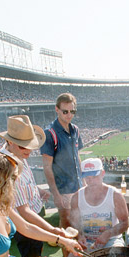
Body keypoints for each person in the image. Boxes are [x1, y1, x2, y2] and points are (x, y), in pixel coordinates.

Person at [0, 115, 64, 257]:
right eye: (22, 146)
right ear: (10, 142)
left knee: (35, 256)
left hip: (33, 212)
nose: (28, 150)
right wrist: (52, 230)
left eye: (29, 145)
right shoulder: (6, 166)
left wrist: (38, 191)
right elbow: (22, 212)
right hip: (24, 220)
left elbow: (26, 186)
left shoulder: (18, 154)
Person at [63, 158, 129, 257]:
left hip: (111, 239)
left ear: (102, 173)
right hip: (87, 241)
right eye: (87, 177)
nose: (91, 181)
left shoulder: (115, 195)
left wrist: (108, 234)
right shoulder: (77, 197)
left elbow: (125, 223)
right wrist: (80, 235)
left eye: (94, 176)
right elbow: (74, 221)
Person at [40, 93, 83, 232]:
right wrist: (56, 195)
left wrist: (84, 182)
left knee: (79, 223)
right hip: (63, 188)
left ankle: (78, 253)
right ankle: (67, 254)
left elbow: (78, 157)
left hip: (78, 186)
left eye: (72, 111)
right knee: (66, 225)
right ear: (57, 109)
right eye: (65, 111)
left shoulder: (75, 129)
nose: (69, 115)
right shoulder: (50, 133)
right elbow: (47, 167)